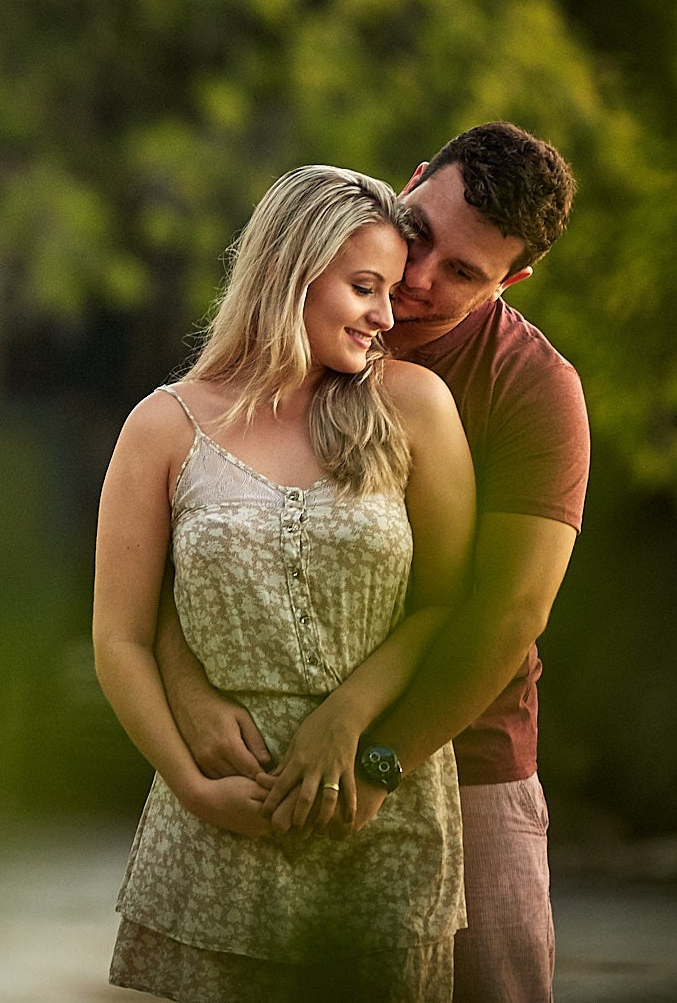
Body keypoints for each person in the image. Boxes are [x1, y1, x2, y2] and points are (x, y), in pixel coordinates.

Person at [156, 123, 587, 1002]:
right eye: (421, 234)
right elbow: (184, 548)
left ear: (514, 280)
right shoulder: (295, 334)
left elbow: (507, 612)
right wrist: (191, 696)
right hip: (265, 762)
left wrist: (380, 760)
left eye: (465, 272)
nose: (420, 283)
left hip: (464, 758)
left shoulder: (533, 391)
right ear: (414, 179)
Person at [93, 164, 477, 1002]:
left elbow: (448, 606)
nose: (387, 316)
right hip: (219, 816)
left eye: (388, 290)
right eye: (365, 287)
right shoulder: (163, 426)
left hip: (377, 809)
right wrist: (195, 787)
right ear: (288, 272)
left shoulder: (416, 407)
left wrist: (352, 724)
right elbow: (119, 637)